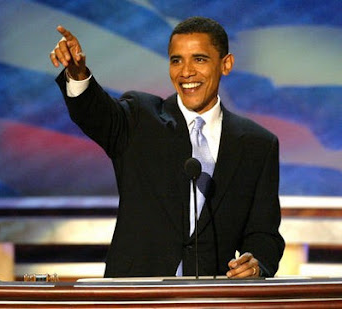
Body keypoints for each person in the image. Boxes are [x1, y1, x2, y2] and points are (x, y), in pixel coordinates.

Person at [50, 16, 285, 278]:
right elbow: (96, 114)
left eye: (199, 59)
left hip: (212, 298)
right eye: (176, 60)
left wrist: (256, 266)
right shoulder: (140, 118)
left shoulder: (258, 144)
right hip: (138, 296)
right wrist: (78, 74)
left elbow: (264, 234)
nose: (186, 72)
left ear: (226, 64)